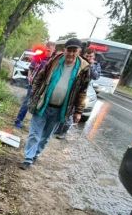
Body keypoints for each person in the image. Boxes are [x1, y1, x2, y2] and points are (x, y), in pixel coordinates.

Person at [20, 38, 91, 169]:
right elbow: (39, 78)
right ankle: (28, 159)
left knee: (46, 136)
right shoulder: (54, 61)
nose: (71, 53)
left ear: (79, 52)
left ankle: (35, 155)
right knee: (35, 133)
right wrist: (34, 94)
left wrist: (78, 111)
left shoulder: (84, 69)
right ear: (64, 50)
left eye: (74, 51)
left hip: (61, 109)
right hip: (43, 104)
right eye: (69, 50)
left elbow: (82, 91)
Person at [55, 48, 101, 139]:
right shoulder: (78, 61)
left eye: (90, 56)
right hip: (71, 88)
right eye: (87, 56)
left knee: (70, 113)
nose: (88, 58)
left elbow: (96, 76)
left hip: (83, 90)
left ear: (94, 57)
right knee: (62, 109)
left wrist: (90, 65)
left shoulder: (95, 65)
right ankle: (56, 129)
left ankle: (63, 132)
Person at [13, 41, 56, 130]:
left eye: (50, 50)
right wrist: (29, 77)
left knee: (39, 105)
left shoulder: (54, 61)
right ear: (45, 48)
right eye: (47, 50)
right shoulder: (39, 57)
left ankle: (35, 126)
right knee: (27, 102)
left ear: (54, 50)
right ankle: (18, 120)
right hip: (33, 85)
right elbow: (31, 68)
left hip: (44, 87)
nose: (48, 52)